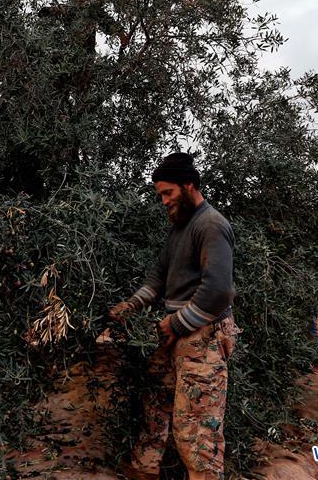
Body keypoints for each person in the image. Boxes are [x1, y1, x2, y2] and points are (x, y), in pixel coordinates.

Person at [109, 153, 238, 480]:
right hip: (175, 334)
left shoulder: (211, 225)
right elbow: (158, 278)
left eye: (168, 193)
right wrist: (132, 305)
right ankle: (144, 470)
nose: (164, 201)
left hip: (203, 337)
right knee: (156, 407)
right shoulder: (180, 228)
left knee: (196, 430)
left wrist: (175, 323)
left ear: (189, 185)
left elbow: (218, 290)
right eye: (160, 195)